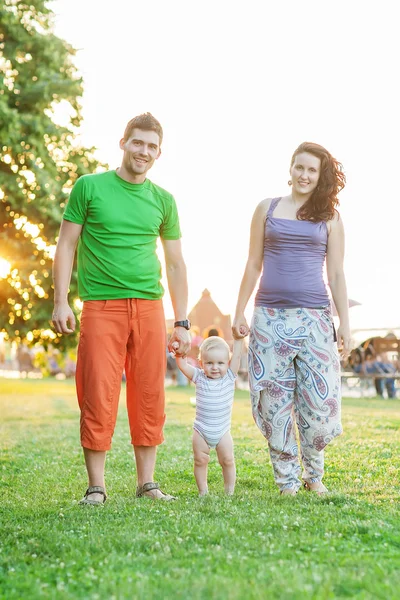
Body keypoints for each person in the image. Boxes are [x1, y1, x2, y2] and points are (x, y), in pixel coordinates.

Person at [52, 113, 191, 505]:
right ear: (123, 142)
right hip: (101, 307)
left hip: (150, 307)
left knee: (150, 394)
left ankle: (146, 483)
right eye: (137, 143)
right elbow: (66, 245)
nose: (143, 151)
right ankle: (96, 486)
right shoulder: (89, 187)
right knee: (97, 392)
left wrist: (181, 321)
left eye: (151, 146)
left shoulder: (163, 200)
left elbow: (177, 263)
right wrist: (61, 299)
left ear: (159, 152)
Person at [232, 142, 350, 496]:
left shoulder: (330, 217)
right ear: (290, 169)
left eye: (312, 170)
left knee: (319, 403)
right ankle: (286, 481)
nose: (304, 175)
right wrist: (238, 310)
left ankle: (314, 476)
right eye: (300, 167)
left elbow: (338, 274)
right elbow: (253, 263)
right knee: (274, 401)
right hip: (268, 316)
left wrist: (345, 322)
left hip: (315, 318)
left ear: (320, 176)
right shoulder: (266, 209)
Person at [173, 336, 244, 496]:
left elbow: (238, 356)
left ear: (227, 363)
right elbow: (182, 365)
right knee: (200, 460)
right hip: (201, 430)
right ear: (201, 363)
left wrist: (238, 340)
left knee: (227, 460)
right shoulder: (199, 376)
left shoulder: (229, 377)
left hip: (222, 431)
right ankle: (203, 491)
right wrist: (179, 352)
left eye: (220, 363)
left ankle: (229, 491)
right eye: (209, 363)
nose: (215, 367)